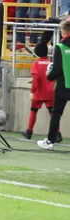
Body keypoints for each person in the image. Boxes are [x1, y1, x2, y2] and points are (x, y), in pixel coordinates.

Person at [39, 18, 70, 151]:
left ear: (64, 31)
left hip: (64, 85)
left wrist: (49, 75)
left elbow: (57, 70)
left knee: (57, 113)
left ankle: (50, 141)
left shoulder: (61, 47)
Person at [22, 43, 55, 140]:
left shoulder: (36, 64)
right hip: (50, 91)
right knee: (53, 113)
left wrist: (32, 91)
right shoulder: (51, 63)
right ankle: (57, 134)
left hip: (39, 91)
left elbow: (36, 79)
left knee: (33, 110)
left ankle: (29, 131)